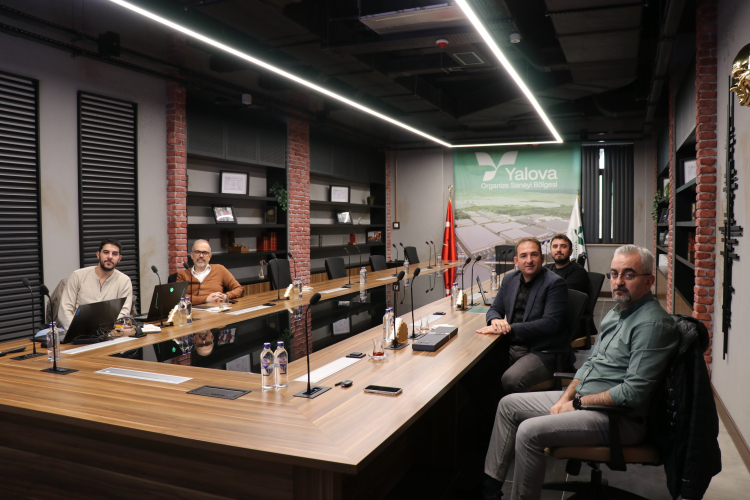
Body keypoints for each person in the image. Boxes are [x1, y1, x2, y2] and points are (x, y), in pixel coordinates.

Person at [482, 245, 679, 500]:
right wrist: (566, 397)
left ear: (649, 281)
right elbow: (591, 363)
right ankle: (490, 491)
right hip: (586, 400)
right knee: (508, 405)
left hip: (617, 418)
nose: (618, 281)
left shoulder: (651, 324)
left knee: (528, 432)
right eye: (614, 274)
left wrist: (577, 403)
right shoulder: (618, 312)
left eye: (629, 275)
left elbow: (632, 393)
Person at [476, 237, 569, 394]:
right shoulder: (509, 279)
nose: (529, 260)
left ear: (542, 258)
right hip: (511, 345)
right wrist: (495, 320)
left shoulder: (555, 283)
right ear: (516, 261)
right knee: (472, 369)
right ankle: (494, 408)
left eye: (534, 255)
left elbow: (550, 324)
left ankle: (515, 409)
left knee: (511, 379)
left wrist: (510, 328)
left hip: (541, 350)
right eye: (523, 256)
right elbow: (495, 309)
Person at [57, 238, 133, 329]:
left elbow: (124, 312)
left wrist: (103, 328)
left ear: (119, 258)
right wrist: (76, 330)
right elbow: (65, 310)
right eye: (106, 252)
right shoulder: (78, 276)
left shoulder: (124, 281)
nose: (110, 256)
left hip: (108, 331)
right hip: (76, 330)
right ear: (98, 255)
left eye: (114, 254)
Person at [177, 239, 243, 305]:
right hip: (192, 310)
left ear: (209, 257)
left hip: (216, 309)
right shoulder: (183, 275)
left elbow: (239, 289)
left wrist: (225, 296)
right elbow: (179, 297)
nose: (201, 255)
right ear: (192, 255)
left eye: (205, 253)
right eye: (197, 252)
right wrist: (206, 299)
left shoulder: (220, 269)